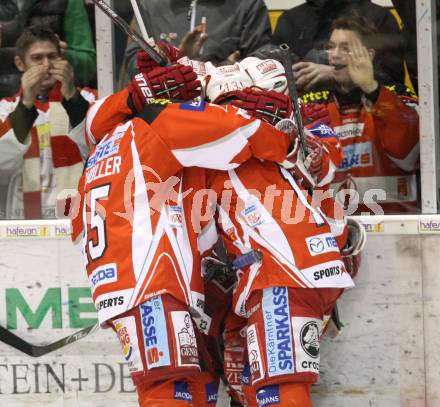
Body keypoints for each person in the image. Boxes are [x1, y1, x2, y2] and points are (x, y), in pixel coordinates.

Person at [300, 14, 419, 214]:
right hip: (335, 229)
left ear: (369, 55)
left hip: (396, 227)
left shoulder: (397, 97)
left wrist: (371, 89)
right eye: (331, 46)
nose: (334, 54)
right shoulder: (314, 105)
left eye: (346, 48)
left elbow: (408, 157)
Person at [0, 25, 96, 219]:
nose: (46, 65)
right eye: (37, 58)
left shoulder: (89, 99)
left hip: (77, 220)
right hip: (23, 226)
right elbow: (2, 163)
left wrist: (71, 97)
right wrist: (26, 104)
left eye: (52, 57)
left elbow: (97, 148)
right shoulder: (5, 108)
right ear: (20, 63)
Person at [123, 0, 275, 82]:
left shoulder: (247, 4)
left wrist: (227, 71)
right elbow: (132, 66)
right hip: (163, 110)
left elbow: (265, 60)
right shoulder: (148, 5)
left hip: (227, 111)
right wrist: (175, 61)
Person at [273, 0, 405, 93]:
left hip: (367, 115)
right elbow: (275, 77)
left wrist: (336, 74)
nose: (334, 54)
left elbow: (393, 81)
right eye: (330, 47)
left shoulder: (378, 17)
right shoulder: (290, 20)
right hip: (305, 116)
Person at [0, 0, 96, 98]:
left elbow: (89, 65)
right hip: (12, 96)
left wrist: (59, 55)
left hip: (57, 99)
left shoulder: (69, 2)